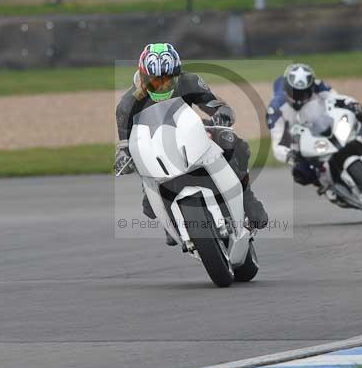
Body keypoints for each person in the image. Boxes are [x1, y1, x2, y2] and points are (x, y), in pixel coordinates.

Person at [114, 43, 268, 242]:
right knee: (149, 205)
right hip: (155, 147)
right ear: (143, 77)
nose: (161, 86)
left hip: (189, 132)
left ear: (177, 76)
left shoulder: (190, 81)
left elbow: (214, 103)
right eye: (154, 81)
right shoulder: (128, 103)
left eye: (167, 80)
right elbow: (126, 142)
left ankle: (248, 201)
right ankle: (169, 220)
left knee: (236, 145)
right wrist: (124, 155)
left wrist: (222, 113)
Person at [266, 63, 362, 187]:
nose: (300, 98)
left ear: (311, 87)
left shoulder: (317, 85)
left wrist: (352, 104)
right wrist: (291, 156)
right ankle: (329, 187)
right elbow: (278, 144)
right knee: (302, 173)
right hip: (300, 139)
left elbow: (337, 98)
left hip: (323, 125)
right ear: (286, 89)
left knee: (355, 117)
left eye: (304, 93)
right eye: (295, 93)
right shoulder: (275, 109)